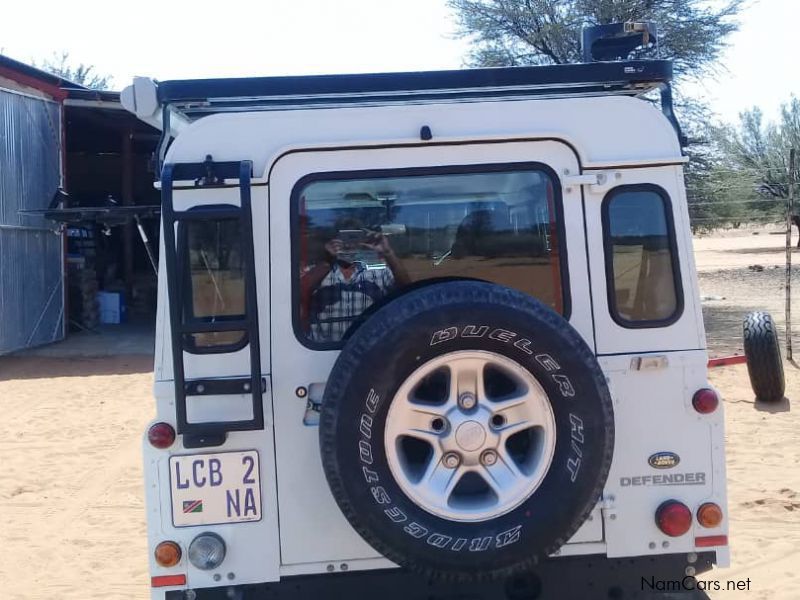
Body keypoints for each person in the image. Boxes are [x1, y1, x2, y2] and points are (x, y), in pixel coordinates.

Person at [300, 227, 411, 342]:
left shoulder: (378, 270)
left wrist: (388, 253)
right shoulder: (319, 271)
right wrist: (328, 259)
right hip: (321, 350)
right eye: (344, 240)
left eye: (354, 239)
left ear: (361, 243)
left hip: (365, 350)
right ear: (333, 242)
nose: (349, 245)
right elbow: (296, 295)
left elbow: (407, 289)